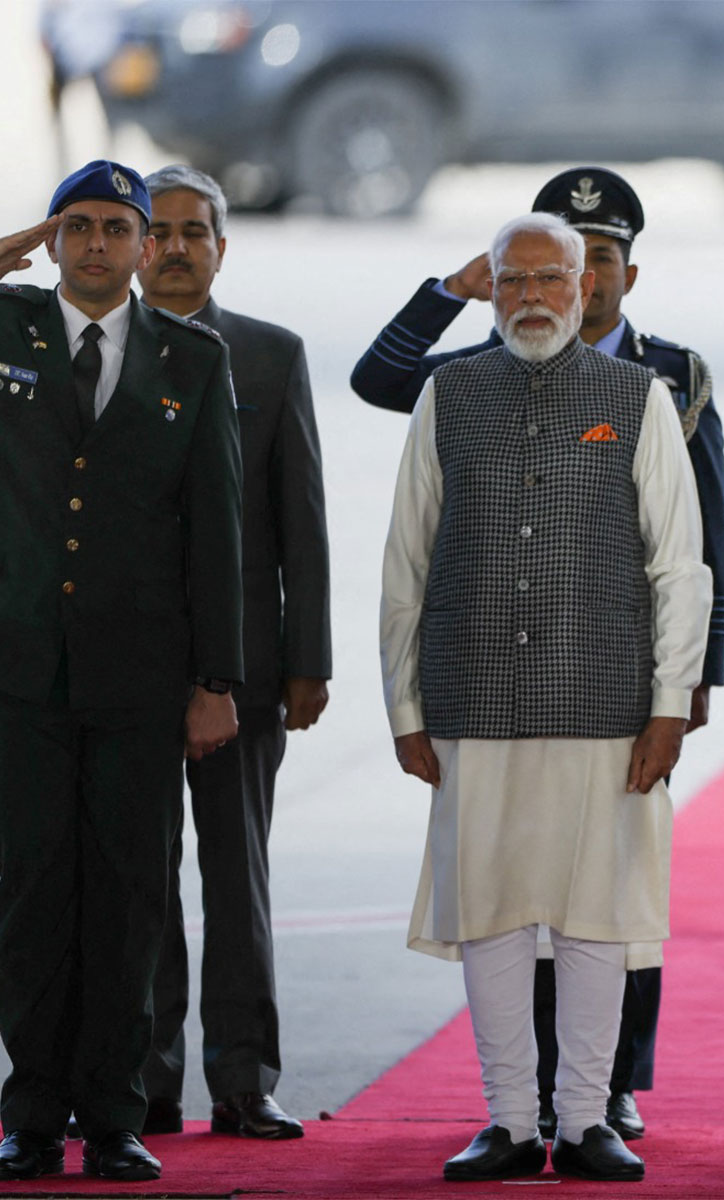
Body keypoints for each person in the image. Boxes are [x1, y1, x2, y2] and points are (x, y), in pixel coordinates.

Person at [352, 167, 724, 1137]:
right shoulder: (451, 390)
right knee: (491, 917)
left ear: (593, 285)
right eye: (508, 279)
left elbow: (686, 559)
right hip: (474, 700)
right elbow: (406, 562)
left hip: (607, 698)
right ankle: (512, 1122)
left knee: (602, 917)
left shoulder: (651, 388)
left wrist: (676, 695)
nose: (530, 297)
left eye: (553, 278)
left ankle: (592, 1114)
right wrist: (404, 707)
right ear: (489, 282)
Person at [0, 161, 242, 1183]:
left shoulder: (193, 357)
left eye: (117, 228)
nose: (97, 245)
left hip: (142, 678)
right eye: (78, 227)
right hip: (19, 675)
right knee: (29, 897)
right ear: (53, 241)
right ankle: (30, 1115)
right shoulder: (7, 332)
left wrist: (216, 678)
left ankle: (114, 1113)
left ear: (149, 247)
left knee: (132, 895)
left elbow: (216, 531)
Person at [134, 164, 332, 1141]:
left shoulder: (268, 354)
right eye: (157, 231)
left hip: (250, 667)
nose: (174, 248)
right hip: (121, 671)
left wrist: (310, 659)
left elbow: (303, 519)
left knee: (237, 879)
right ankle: (145, 1082)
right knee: (137, 881)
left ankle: (244, 1079)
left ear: (222, 245)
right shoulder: (87, 353)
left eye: (192, 232)